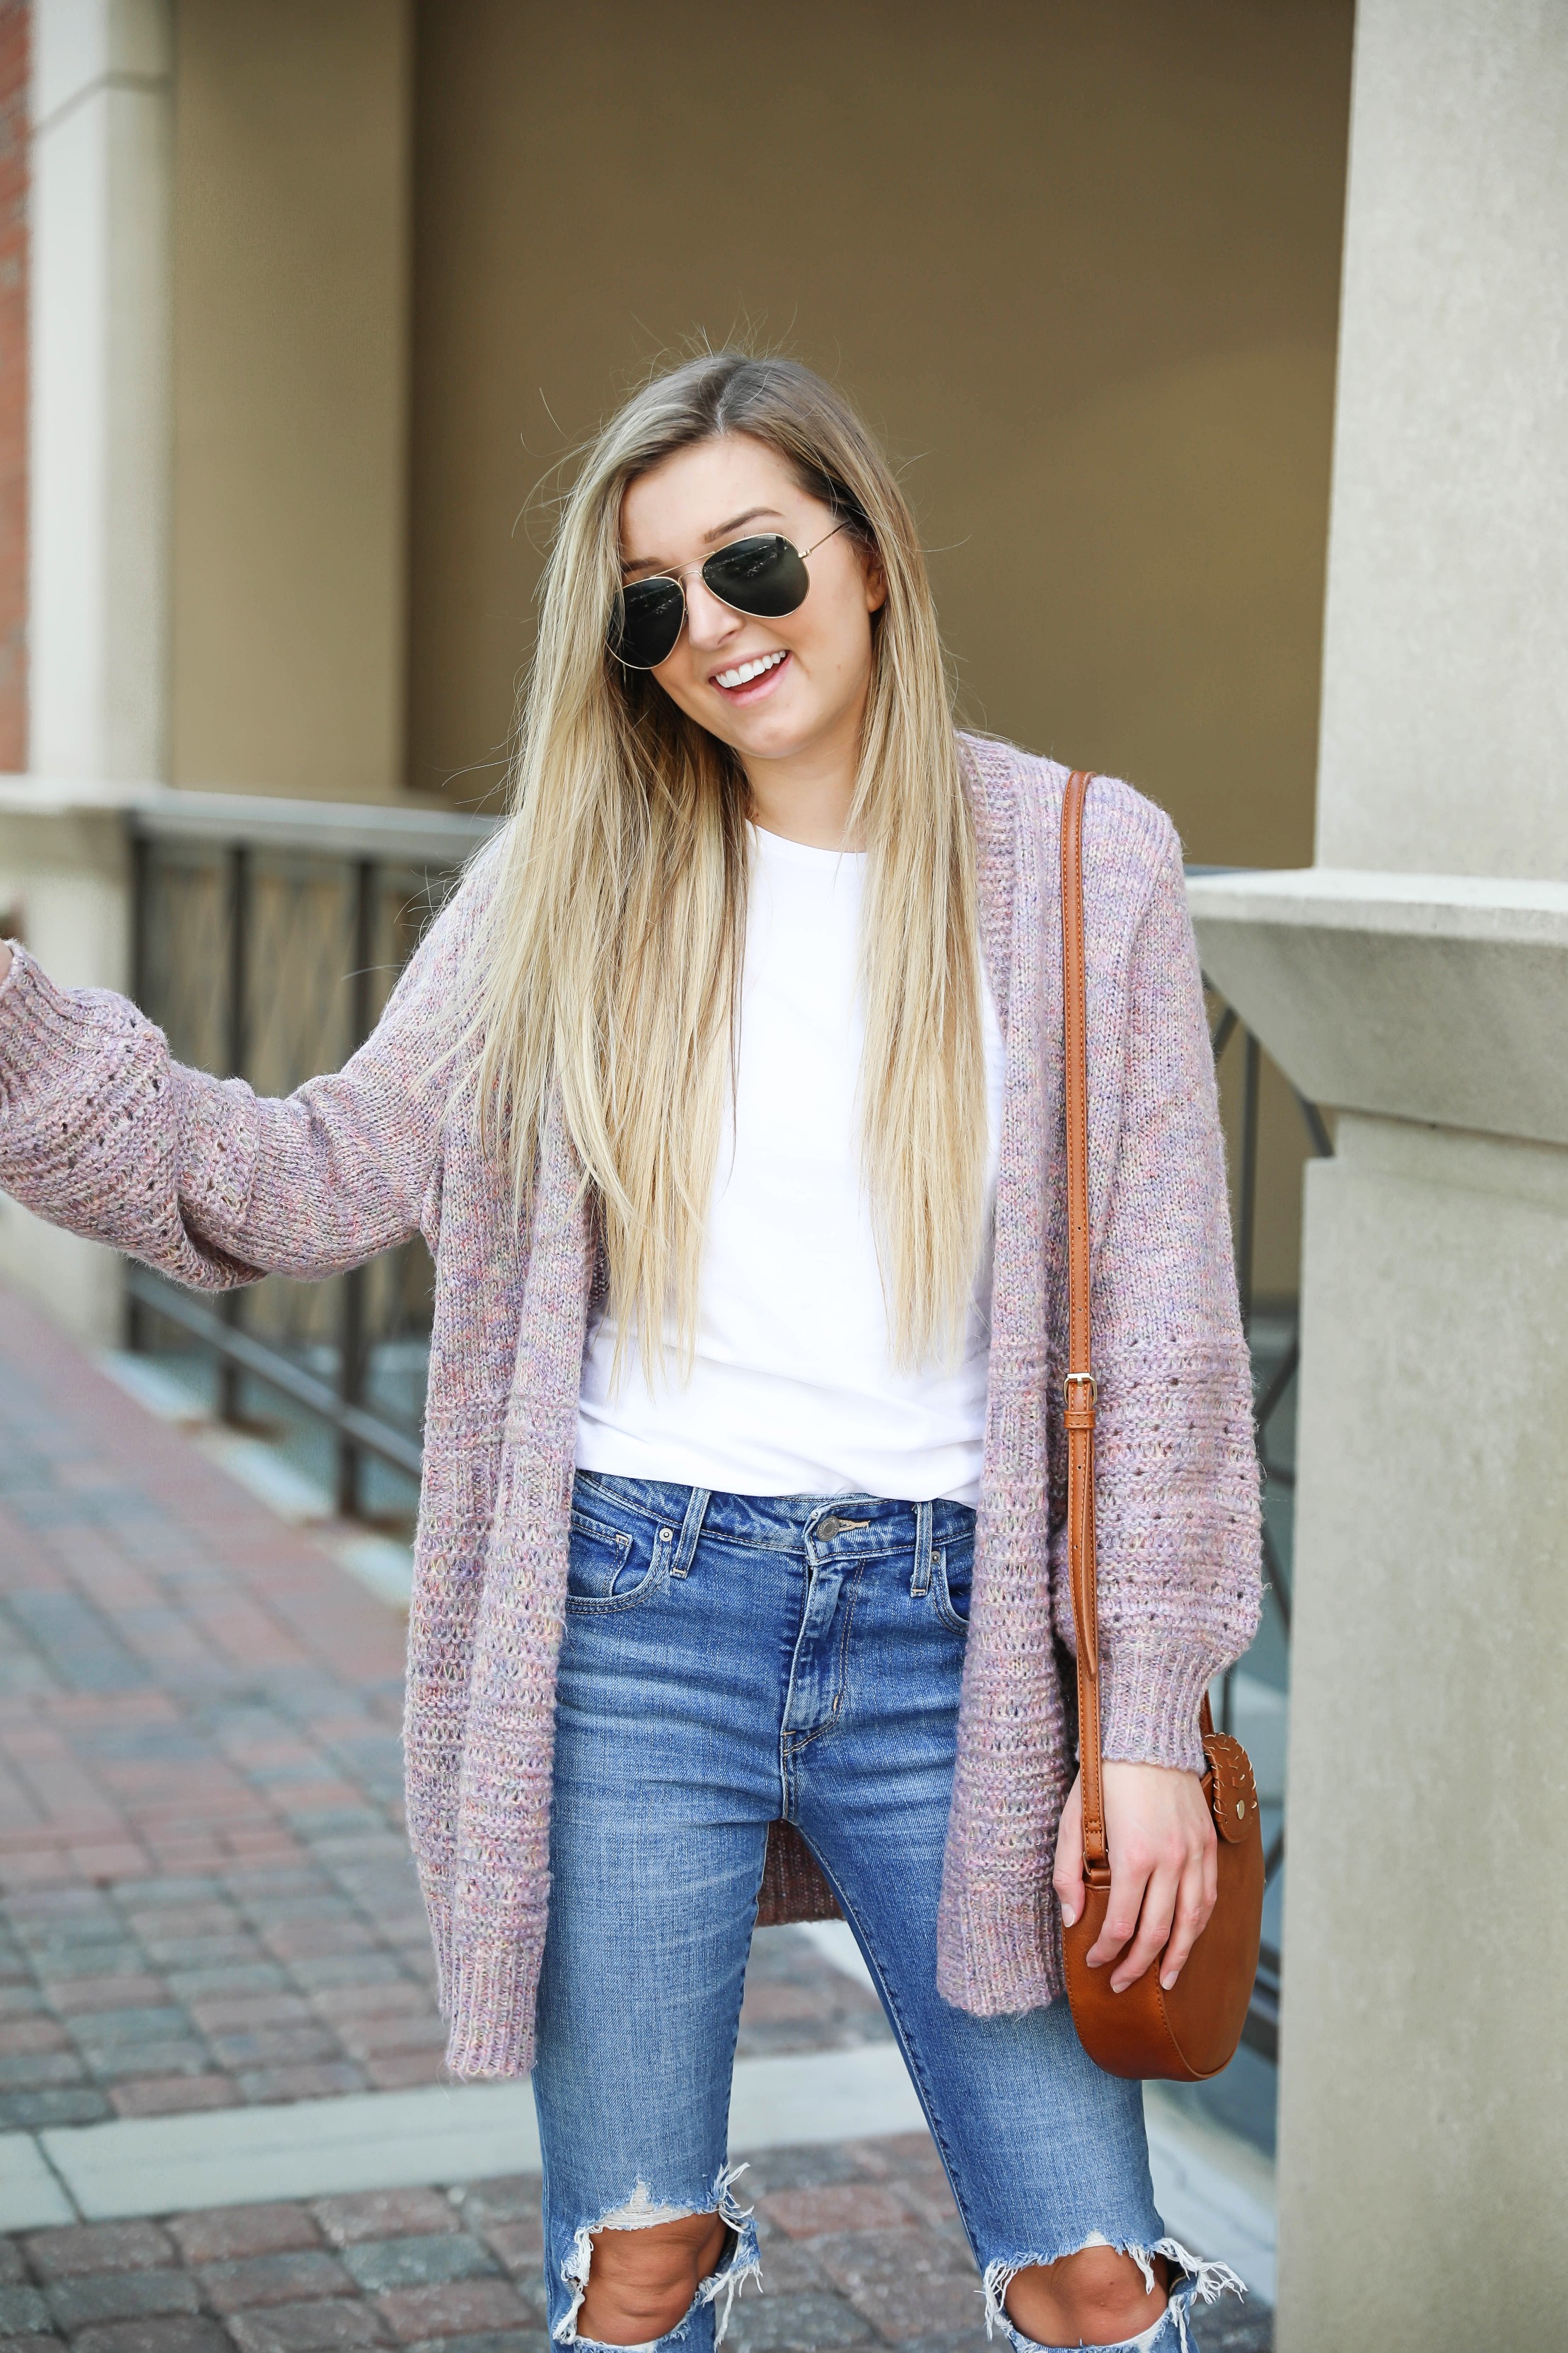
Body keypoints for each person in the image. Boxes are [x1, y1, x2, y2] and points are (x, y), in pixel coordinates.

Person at [0, 353, 1260, 2352]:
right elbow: (292, 1185)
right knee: (633, 2260)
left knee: (1089, 2271)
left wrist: (1145, 1718)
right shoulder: (563, 891)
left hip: (958, 1638)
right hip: (628, 1619)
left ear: (868, 555)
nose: (709, 630)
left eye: (749, 561)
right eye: (649, 601)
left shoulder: (1080, 858)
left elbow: (1169, 1321)